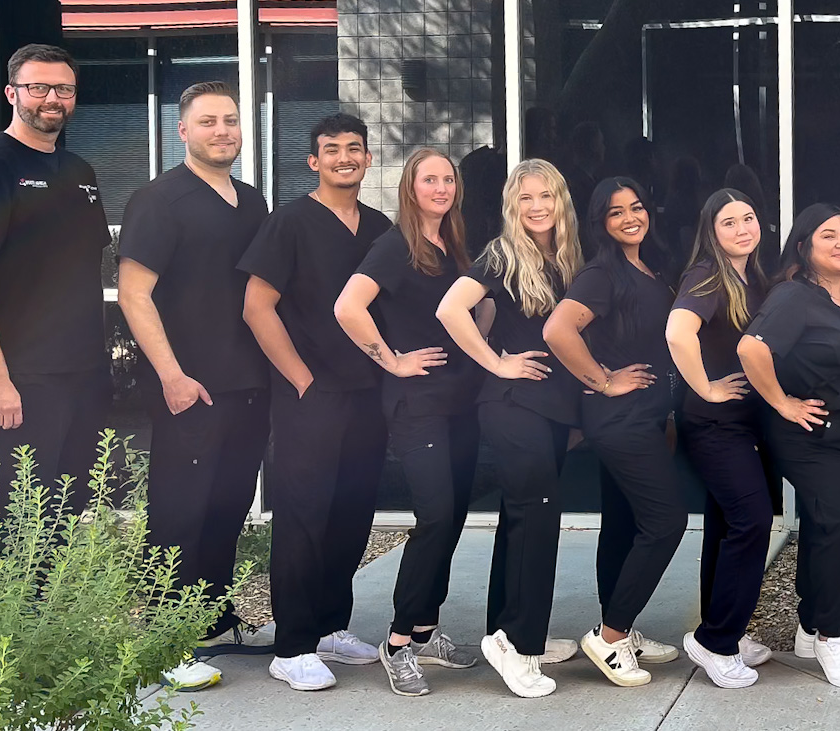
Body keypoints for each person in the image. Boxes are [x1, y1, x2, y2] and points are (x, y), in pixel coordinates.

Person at [115, 80, 276, 691]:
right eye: (207, 121)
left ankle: (208, 620)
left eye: (230, 121)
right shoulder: (159, 200)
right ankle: (166, 638)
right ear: (182, 130)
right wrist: (171, 375)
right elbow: (134, 294)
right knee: (179, 511)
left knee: (227, 508)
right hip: (188, 386)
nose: (222, 131)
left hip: (248, 384)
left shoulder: (251, 200)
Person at [238, 112, 406, 693]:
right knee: (304, 516)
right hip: (310, 395)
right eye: (330, 149)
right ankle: (292, 646)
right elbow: (257, 306)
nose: (343, 157)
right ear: (313, 160)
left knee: (352, 514)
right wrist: (301, 378)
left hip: (366, 395)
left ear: (366, 159)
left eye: (353, 148)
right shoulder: (290, 223)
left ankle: (332, 627)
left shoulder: (382, 229)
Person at [429, 159, 583, 698]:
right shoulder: (502, 253)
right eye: (525, 198)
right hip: (512, 401)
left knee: (526, 519)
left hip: (552, 408)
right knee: (537, 517)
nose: (537, 206)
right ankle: (517, 644)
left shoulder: (565, 258)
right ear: (511, 206)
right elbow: (451, 310)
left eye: (546, 195)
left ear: (561, 200)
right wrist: (495, 362)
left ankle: (518, 634)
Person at [336, 149, 489, 692]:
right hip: (417, 405)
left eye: (449, 179)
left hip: (461, 403)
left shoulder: (454, 244)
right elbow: (348, 307)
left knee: (451, 521)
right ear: (411, 187)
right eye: (430, 179)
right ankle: (398, 642)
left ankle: (426, 629)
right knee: (434, 518)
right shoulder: (396, 245)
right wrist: (393, 360)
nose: (441, 187)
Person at [0, 43, 110, 530]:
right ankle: (18, 610)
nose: (51, 98)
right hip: (19, 380)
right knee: (18, 520)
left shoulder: (80, 172)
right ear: (12, 92)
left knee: (63, 512)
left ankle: (54, 611)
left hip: (81, 372)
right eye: (39, 87)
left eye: (64, 88)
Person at [543, 177, 688, 688]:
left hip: (646, 416)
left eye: (637, 206)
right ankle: (610, 636)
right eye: (615, 212)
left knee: (624, 525)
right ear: (599, 222)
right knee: (667, 520)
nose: (630, 217)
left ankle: (623, 626)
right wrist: (602, 381)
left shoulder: (650, 268)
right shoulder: (601, 273)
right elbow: (558, 330)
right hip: (619, 420)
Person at [738, 204, 840, 690]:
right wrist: (782, 403)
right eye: (829, 236)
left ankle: (808, 626)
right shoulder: (794, 296)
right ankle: (832, 636)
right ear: (804, 245)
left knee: (826, 526)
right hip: (811, 438)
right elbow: (751, 349)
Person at [669, 189, 780, 688]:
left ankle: (724, 633)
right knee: (752, 522)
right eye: (729, 222)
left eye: (749, 218)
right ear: (711, 232)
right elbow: (677, 333)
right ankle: (715, 642)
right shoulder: (708, 277)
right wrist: (706, 389)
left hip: (743, 426)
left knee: (726, 526)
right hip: (715, 427)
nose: (742, 229)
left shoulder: (751, 277)